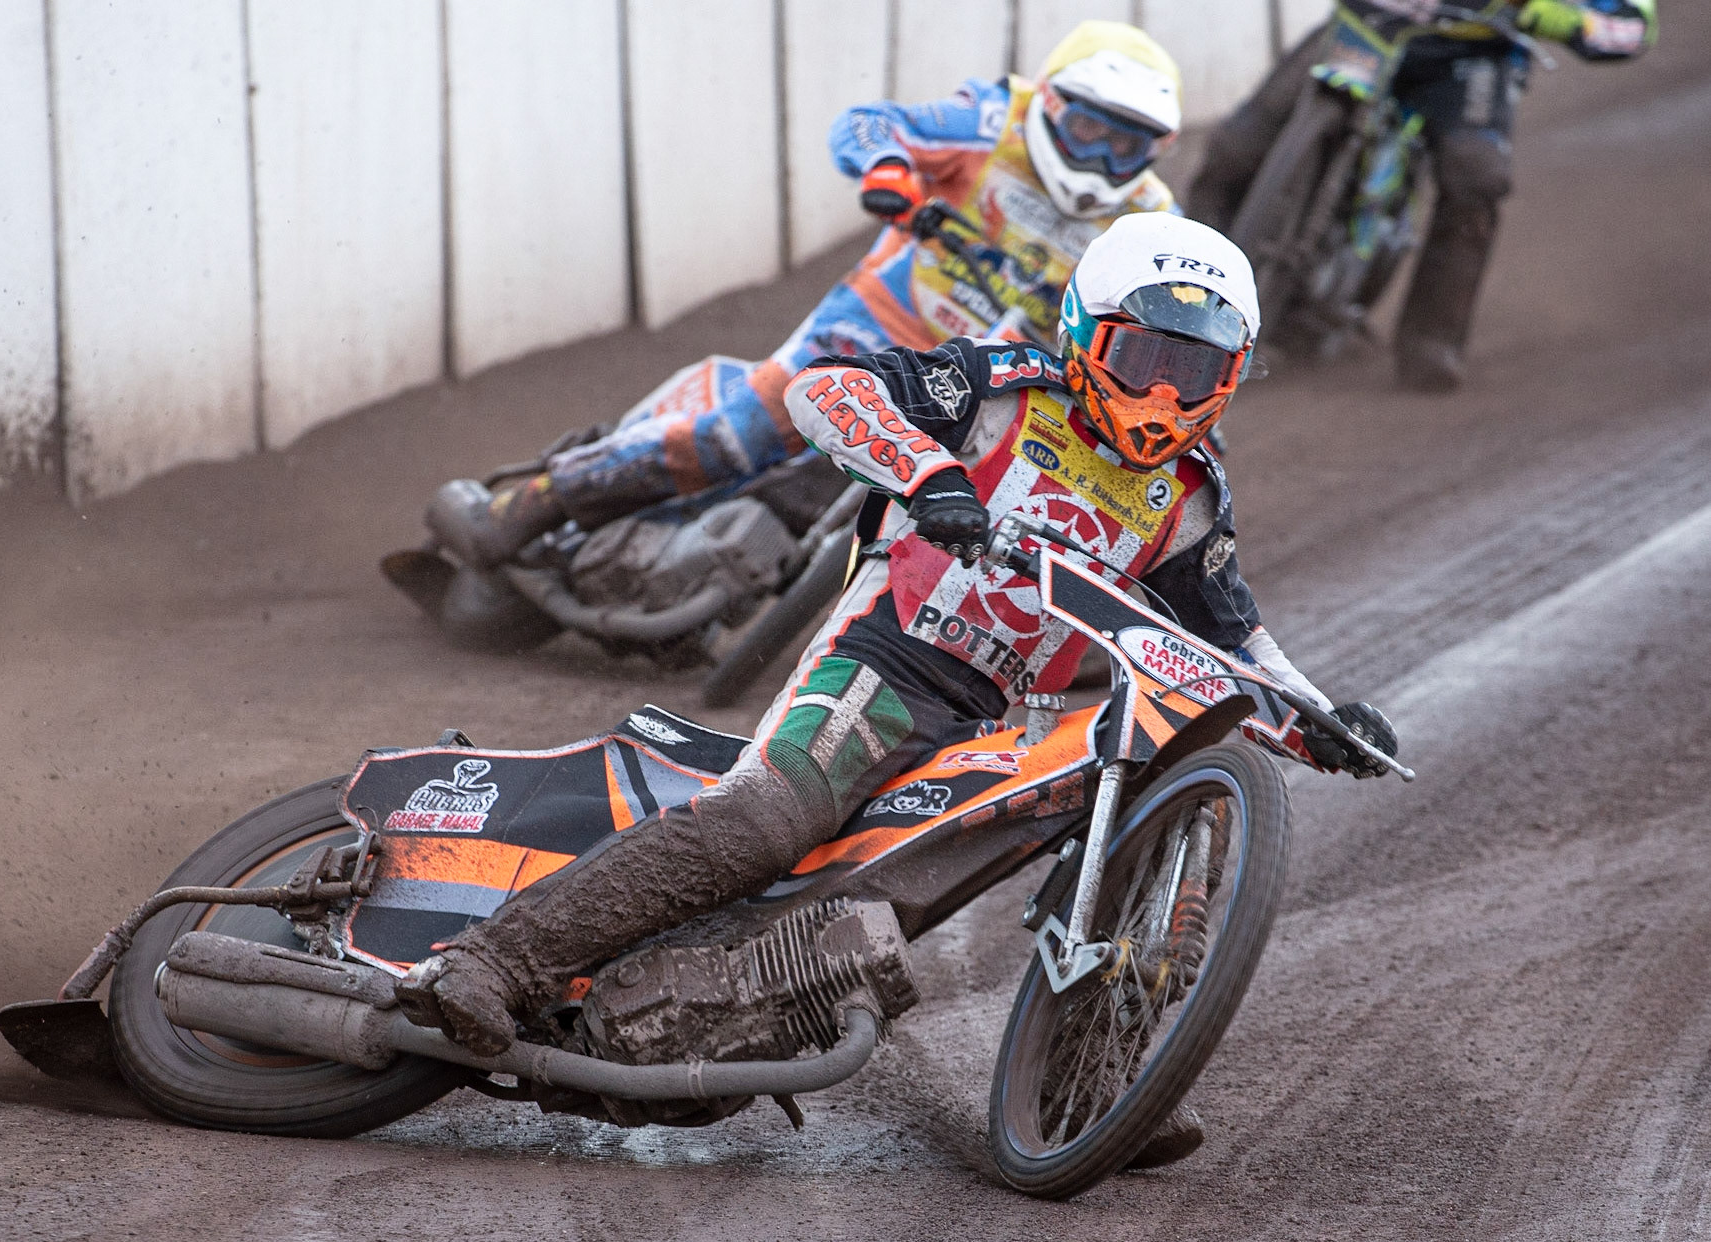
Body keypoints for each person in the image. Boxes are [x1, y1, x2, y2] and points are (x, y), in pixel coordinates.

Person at [396, 212, 1398, 1167]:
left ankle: (1097, 1080)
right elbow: (825, 390)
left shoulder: (1190, 498)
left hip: (998, 720)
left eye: (1198, 371)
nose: (1166, 394)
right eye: (1144, 359)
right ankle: (491, 961)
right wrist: (929, 476)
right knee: (765, 824)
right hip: (884, 662)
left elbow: (1232, 642)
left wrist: (1322, 720)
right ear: (1086, 332)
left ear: (1232, 375)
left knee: (1065, 820)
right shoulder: (1002, 387)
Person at [407, 20, 1190, 579]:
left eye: (1126, 144)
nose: (1100, 158)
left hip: (987, 380)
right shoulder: (992, 120)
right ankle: (528, 507)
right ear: (1048, 101)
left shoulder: (1155, 220)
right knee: (738, 435)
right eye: (1088, 128)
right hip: (876, 325)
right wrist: (888, 172)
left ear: (1156, 151)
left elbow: (1174, 318)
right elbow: (871, 122)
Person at [1187, 0, 1655, 392]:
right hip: (1368, 25)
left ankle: (1433, 340)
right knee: (1235, 148)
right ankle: (1180, 296)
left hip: (1471, 52)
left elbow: (1633, 25)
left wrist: (1556, 16)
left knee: (1476, 174)